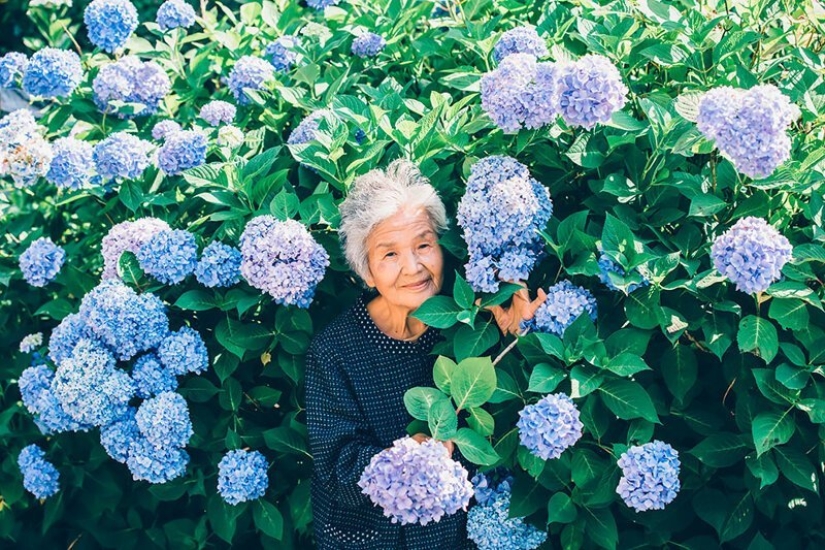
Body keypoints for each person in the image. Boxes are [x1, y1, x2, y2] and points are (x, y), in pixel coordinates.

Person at [304, 159, 545, 549]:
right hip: (371, 537)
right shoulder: (334, 351)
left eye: (423, 245)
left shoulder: (467, 322)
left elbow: (506, 427)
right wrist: (406, 458)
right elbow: (336, 466)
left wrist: (517, 340)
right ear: (366, 271)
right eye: (390, 254)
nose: (413, 267)